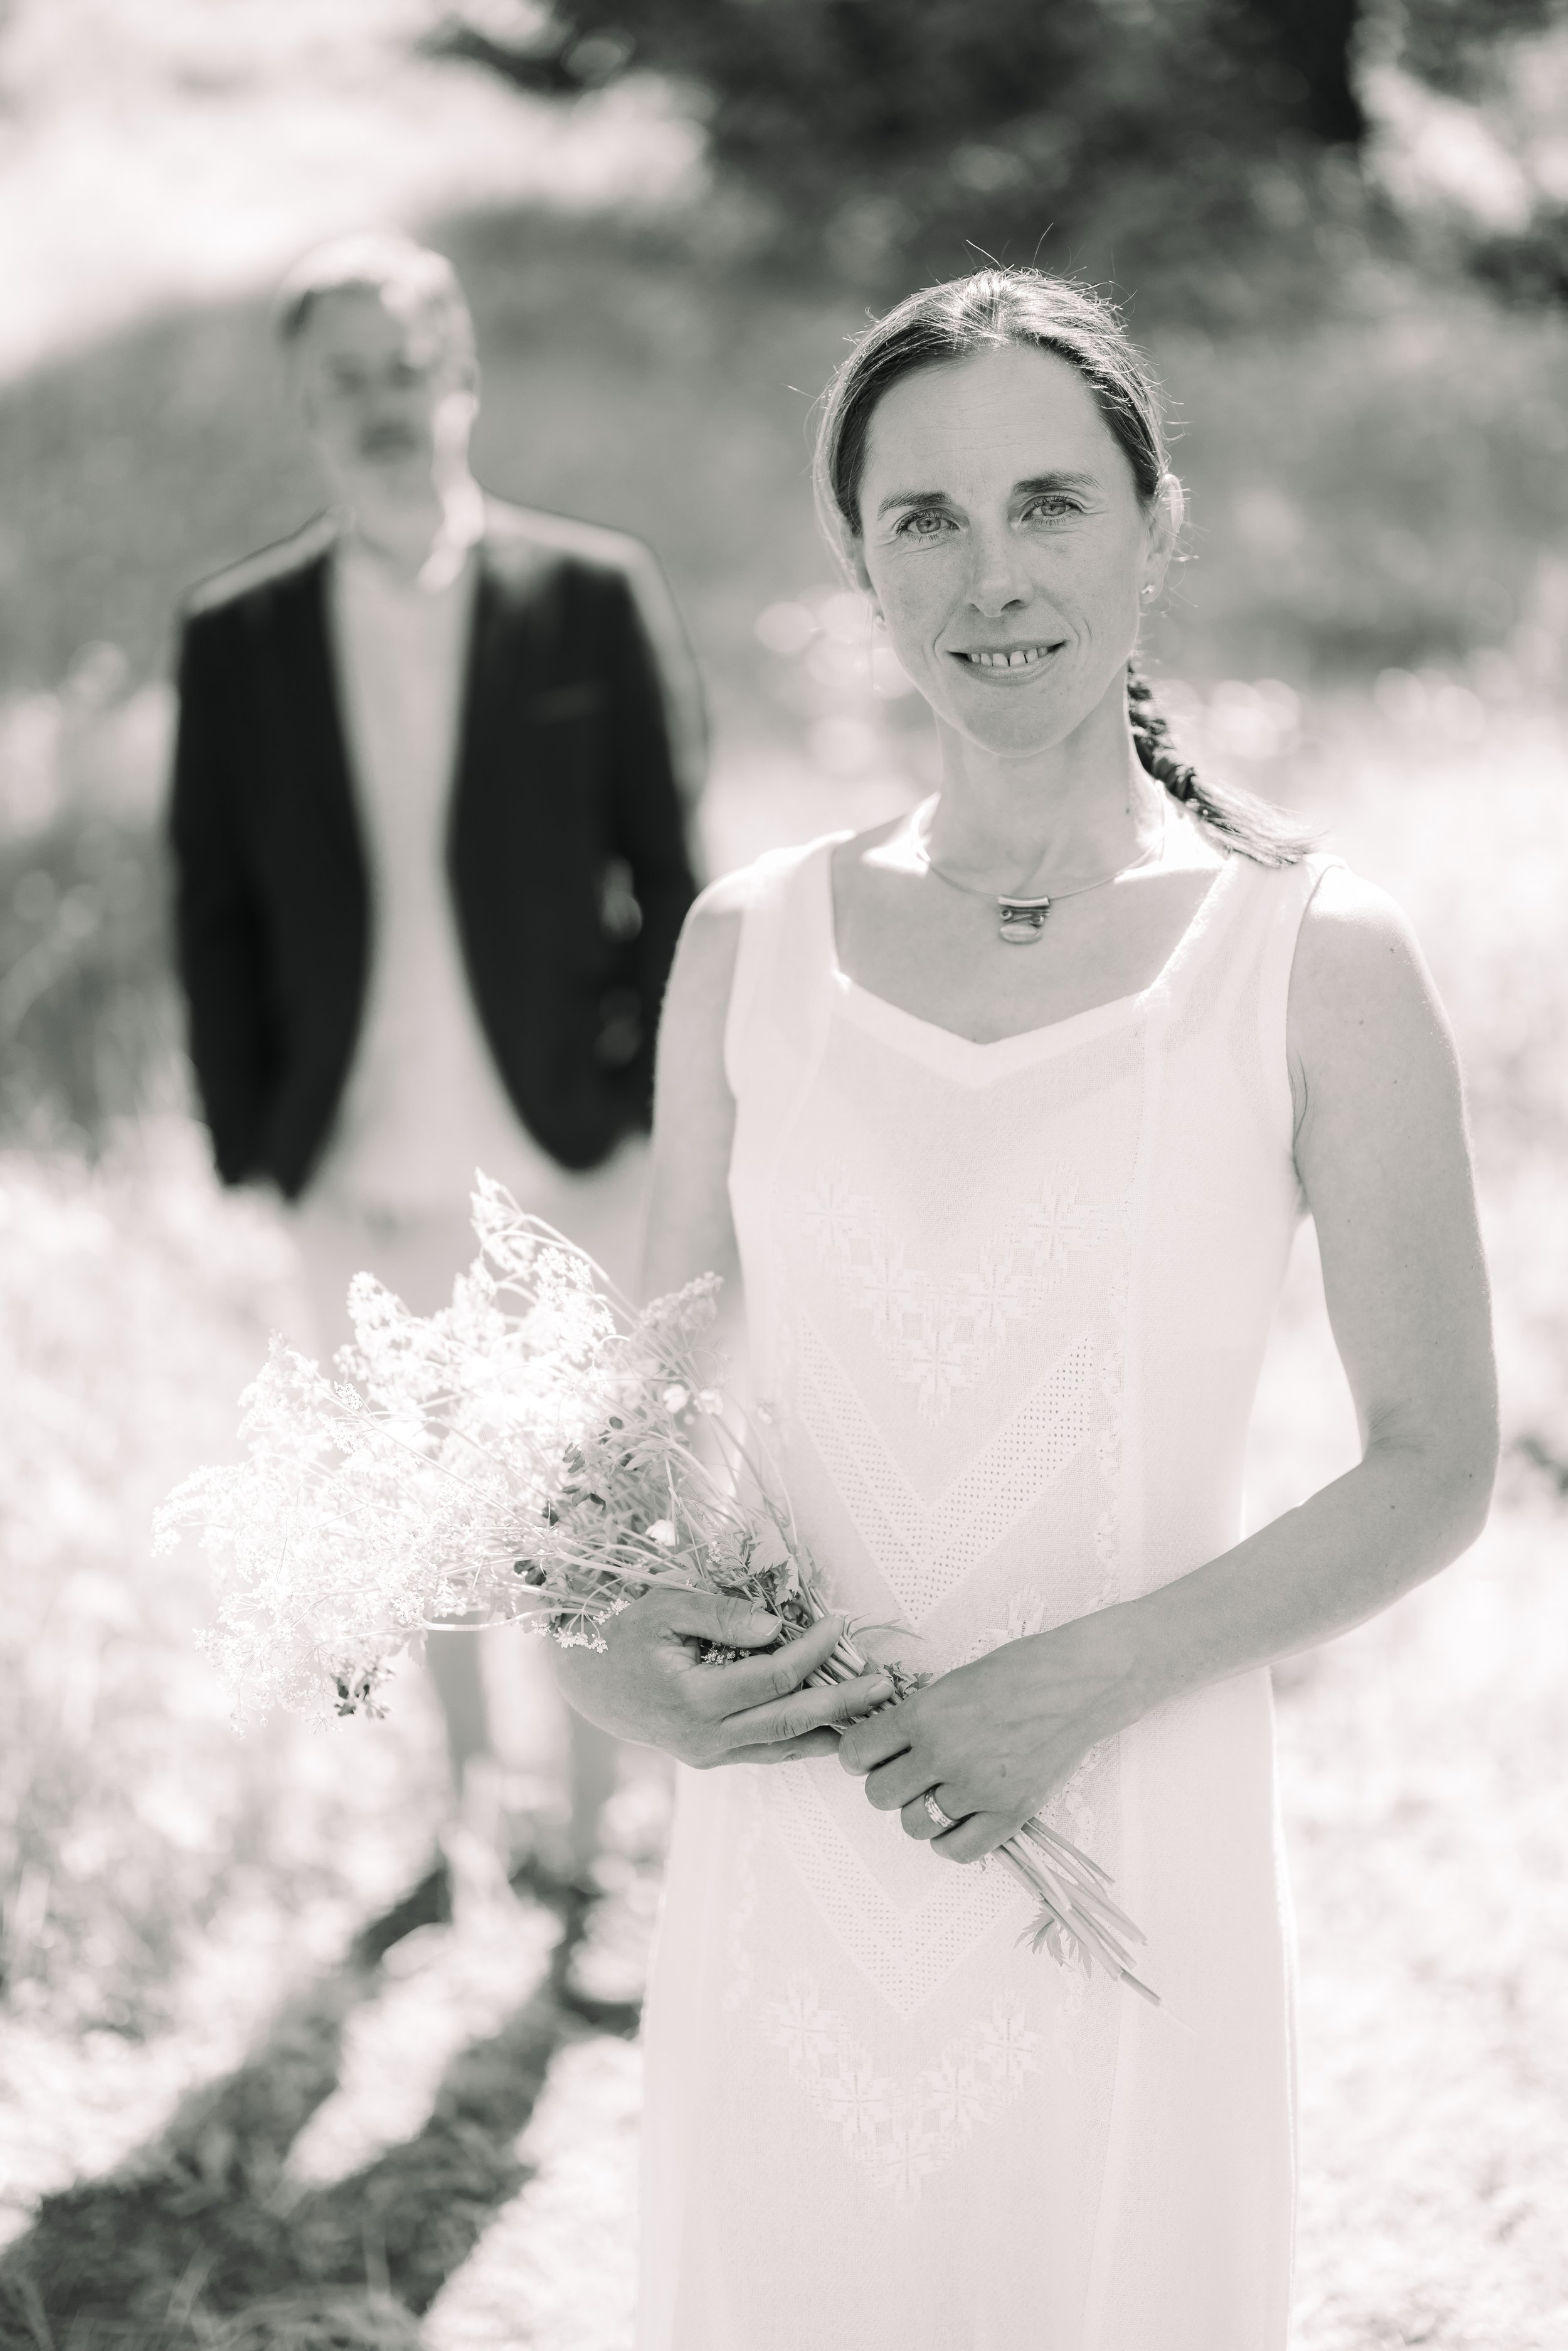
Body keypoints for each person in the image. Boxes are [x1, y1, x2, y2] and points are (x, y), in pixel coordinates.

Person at [553, 268, 1498, 2347]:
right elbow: (646, 1404)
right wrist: (604, 1641)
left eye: (1050, 502)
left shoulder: (1314, 952)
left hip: (1133, 1843)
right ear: (856, 558)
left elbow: (1435, 1463)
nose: (991, 574)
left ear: (1156, 527)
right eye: (926, 517)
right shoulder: (748, 943)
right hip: (791, 1851)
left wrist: (1067, 1688)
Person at [169, 233, 703, 1889]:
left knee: (595, 1501)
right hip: (355, 1156)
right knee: (418, 1508)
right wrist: (255, 1143)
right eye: (347, 379)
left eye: (408, 368)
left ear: (461, 373)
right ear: (303, 405)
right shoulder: (239, 633)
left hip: (570, 1147)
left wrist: (655, 1104)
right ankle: (477, 1811)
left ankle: (605, 1837)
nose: (385, 405)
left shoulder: (590, 591)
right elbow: (212, 907)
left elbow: (675, 878)